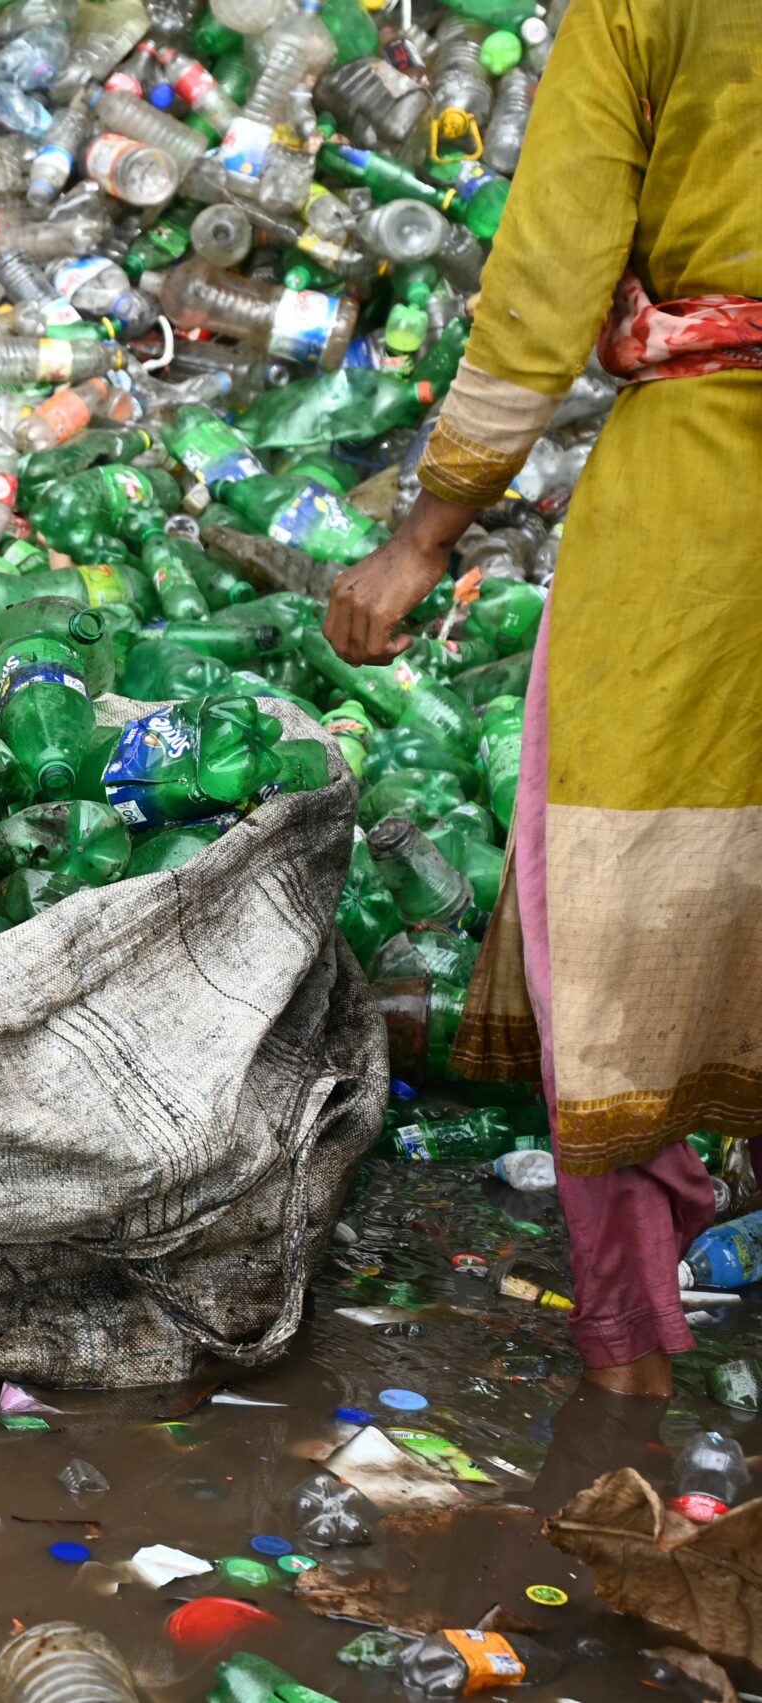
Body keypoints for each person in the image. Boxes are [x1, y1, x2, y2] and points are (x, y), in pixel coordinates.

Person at [323, 0, 762, 1398]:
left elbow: (548, 280)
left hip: (702, 502)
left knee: (625, 920)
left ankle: (632, 1364)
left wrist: (423, 536)